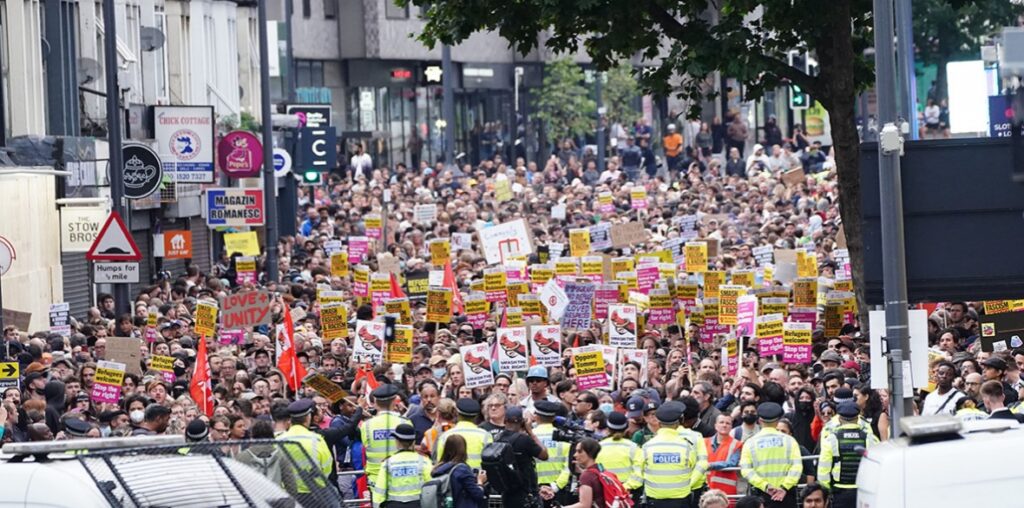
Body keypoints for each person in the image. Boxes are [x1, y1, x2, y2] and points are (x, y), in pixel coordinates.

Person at [816, 402, 879, 508]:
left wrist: (825, 492)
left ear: (839, 418)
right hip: (864, 490)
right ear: (858, 418)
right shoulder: (871, 438)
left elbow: (823, 470)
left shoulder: (831, 440)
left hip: (839, 492)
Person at [739, 402, 802, 508]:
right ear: (778, 421)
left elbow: (746, 470)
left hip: (762, 496)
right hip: (786, 494)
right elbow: (797, 467)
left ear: (759, 420)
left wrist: (765, 486)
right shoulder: (790, 441)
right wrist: (784, 487)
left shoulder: (750, 443)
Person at [640, 401, 699, 507]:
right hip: (681, 501)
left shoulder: (647, 446)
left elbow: (639, 471)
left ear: (659, 423)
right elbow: (694, 468)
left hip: (654, 502)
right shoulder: (687, 447)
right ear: (679, 422)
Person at [277, 399, 332, 503]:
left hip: (287, 494)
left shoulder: (279, 440)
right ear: (308, 417)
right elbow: (327, 467)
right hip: (314, 493)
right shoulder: (316, 440)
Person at [496, 405, 548, 508]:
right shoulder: (524, 440)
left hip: (507, 493)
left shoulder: (498, 439)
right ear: (522, 422)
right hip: (525, 492)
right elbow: (544, 454)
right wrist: (530, 431)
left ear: (505, 421)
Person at [371, 423, 433, 508]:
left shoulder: (387, 463)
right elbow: (431, 487)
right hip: (418, 504)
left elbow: (379, 492)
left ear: (397, 441)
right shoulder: (424, 461)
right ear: (414, 442)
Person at [363, 384, 413, 482]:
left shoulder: (367, 425)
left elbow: (365, 446)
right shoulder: (405, 422)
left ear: (376, 402)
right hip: (400, 475)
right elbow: (411, 448)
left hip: (376, 478)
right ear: (395, 401)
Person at [435, 398, 493, 471]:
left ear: (457, 413)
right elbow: (490, 463)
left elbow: (440, 463)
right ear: (476, 416)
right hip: (479, 480)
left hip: (453, 480)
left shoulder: (445, 436)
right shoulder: (485, 436)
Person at [432, 434, 488, 508]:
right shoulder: (462, 469)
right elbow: (477, 494)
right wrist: (480, 482)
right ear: (463, 449)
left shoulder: (438, 468)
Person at [534, 400, 571, 502]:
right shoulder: (565, 436)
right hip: (558, 491)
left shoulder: (529, 436)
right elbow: (568, 467)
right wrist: (555, 486)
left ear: (536, 416)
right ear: (554, 418)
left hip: (535, 490)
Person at [597, 411, 642, 494]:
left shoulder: (598, 446)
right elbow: (639, 473)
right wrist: (625, 487)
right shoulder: (633, 447)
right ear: (626, 428)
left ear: (608, 428)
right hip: (627, 493)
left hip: (605, 491)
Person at [705, 414, 743, 501]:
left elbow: (732, 463)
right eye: (721, 422)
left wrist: (710, 465)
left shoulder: (736, 444)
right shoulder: (704, 442)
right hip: (706, 489)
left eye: (728, 423)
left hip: (726, 493)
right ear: (715, 425)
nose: (724, 425)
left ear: (731, 427)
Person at [560, 438, 605, 508]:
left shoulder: (586, 476)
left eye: (579, 451)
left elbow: (584, 505)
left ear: (589, 453)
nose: (575, 455)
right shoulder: (600, 469)